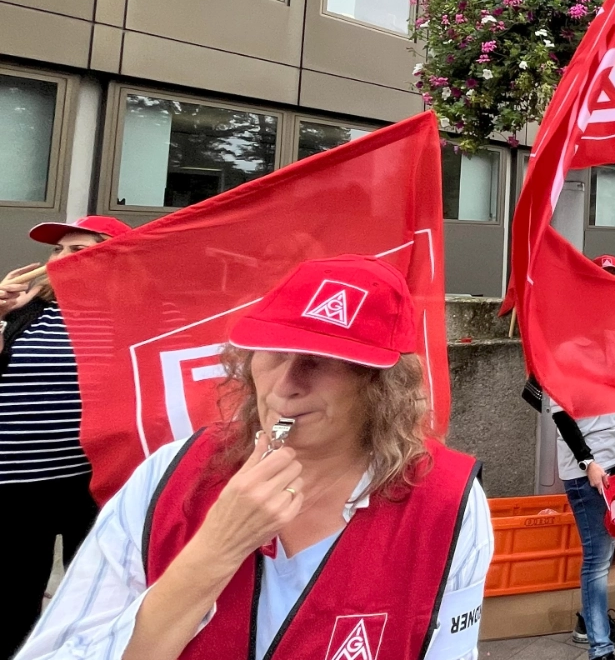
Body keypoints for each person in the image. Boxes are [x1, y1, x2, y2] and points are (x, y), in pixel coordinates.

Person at [19, 255, 493, 660]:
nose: (285, 386)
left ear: (381, 386)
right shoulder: (171, 474)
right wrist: (214, 551)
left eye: (321, 360)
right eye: (273, 352)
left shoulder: (447, 500)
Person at [1, 215, 130, 656]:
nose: (60, 258)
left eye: (78, 249)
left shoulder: (136, 315)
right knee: (11, 602)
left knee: (95, 596)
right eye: (57, 249)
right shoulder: (26, 312)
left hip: (92, 483)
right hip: (14, 484)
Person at [528, 281, 615, 657]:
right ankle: (599, 645)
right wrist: (588, 464)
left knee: (612, 544)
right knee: (597, 556)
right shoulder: (564, 352)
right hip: (591, 470)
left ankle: (592, 619)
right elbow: (562, 417)